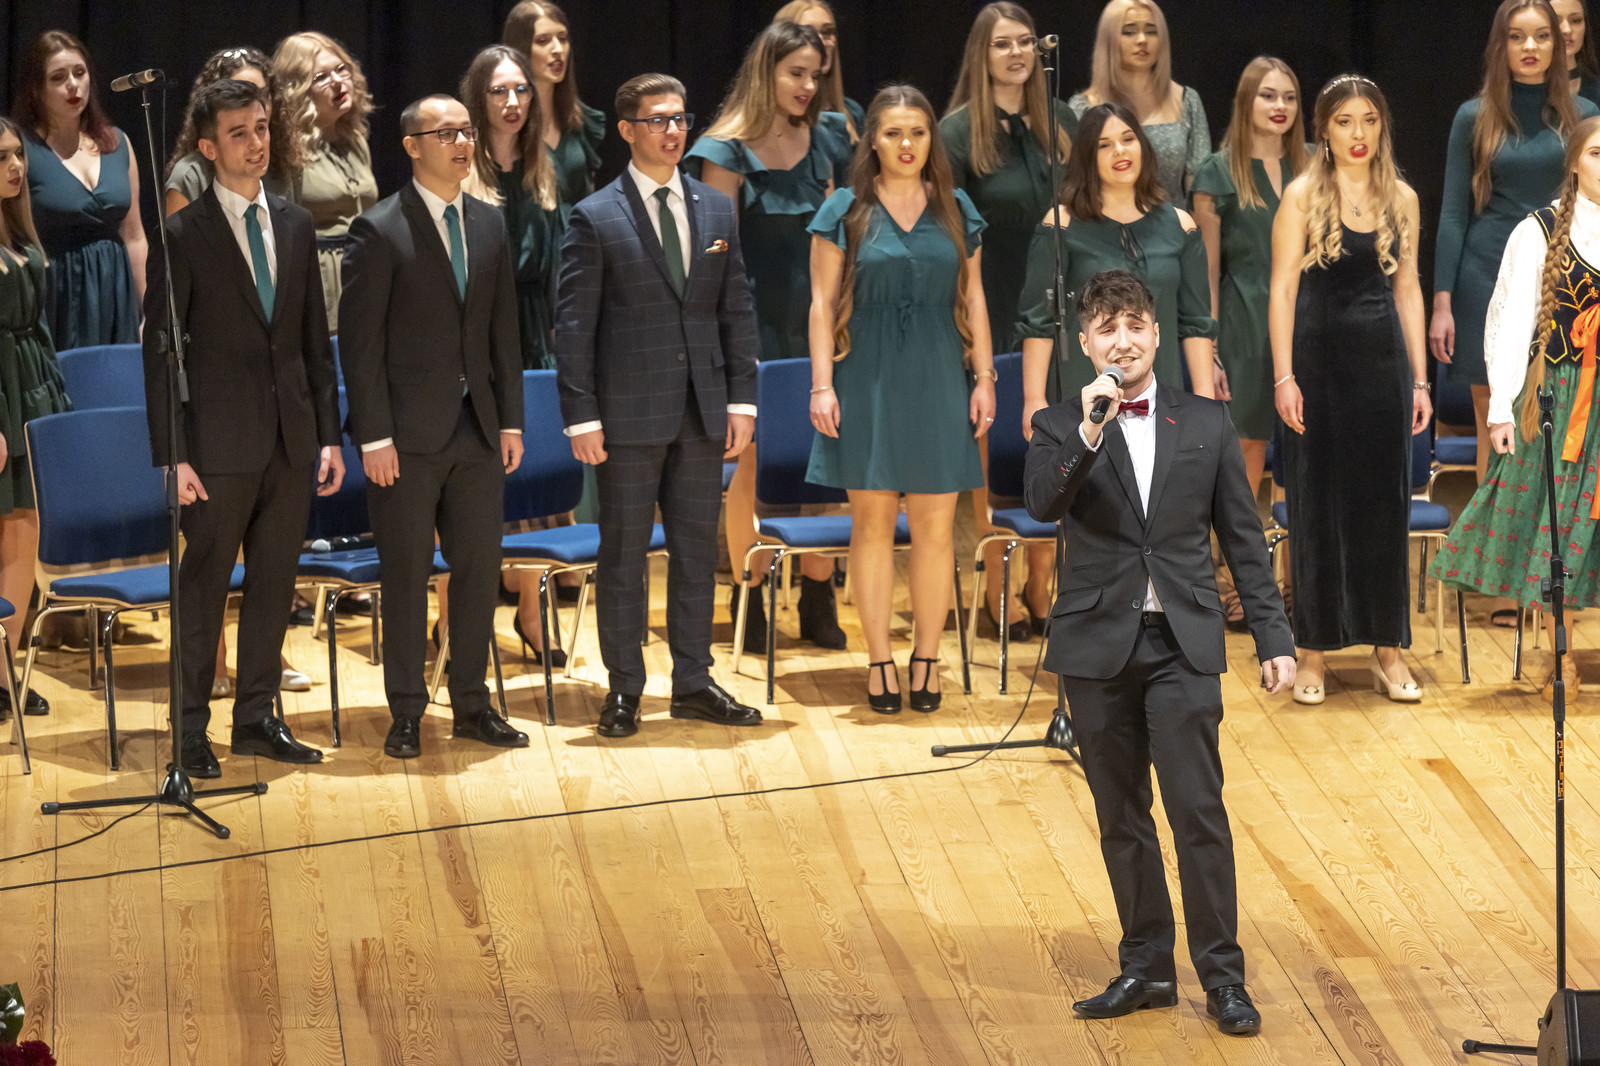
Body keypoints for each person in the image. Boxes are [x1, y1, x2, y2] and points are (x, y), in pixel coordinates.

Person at [1023, 268, 1294, 1038]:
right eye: (1107, 329)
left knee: (1197, 813)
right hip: (1096, 645)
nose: (1123, 340)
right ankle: (1146, 966)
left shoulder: (1206, 420)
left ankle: (1224, 978)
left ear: (1156, 333)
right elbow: (1042, 502)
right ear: (1085, 343)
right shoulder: (1059, 424)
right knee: (1121, 816)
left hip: (1182, 643)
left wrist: (1273, 637)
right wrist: (1088, 431)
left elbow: (1242, 538)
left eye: (1135, 325)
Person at [141, 79, 342, 777]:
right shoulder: (182, 233)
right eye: (238, 133)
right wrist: (173, 454)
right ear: (208, 148)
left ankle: (256, 718)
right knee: (203, 592)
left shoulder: (294, 223)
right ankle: (189, 731)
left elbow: (313, 340)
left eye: (261, 128)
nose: (256, 143)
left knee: (274, 584)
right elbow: (160, 351)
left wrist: (328, 435)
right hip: (217, 446)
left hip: (290, 438)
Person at [554, 73, 763, 740]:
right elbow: (574, 327)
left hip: (703, 410)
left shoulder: (716, 209)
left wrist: (742, 399)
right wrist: (581, 414)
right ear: (627, 131)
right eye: (657, 121)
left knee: (698, 552)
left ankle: (694, 682)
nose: (673, 132)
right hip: (626, 415)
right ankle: (624, 689)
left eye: (679, 119)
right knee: (623, 555)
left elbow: (736, 310)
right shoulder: (596, 216)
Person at [340, 94, 528, 759]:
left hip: (478, 430)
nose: (461, 142)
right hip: (405, 439)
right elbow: (360, 346)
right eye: (445, 133)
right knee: (406, 575)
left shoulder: (489, 223)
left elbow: (505, 332)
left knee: (478, 572)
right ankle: (406, 712)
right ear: (413, 146)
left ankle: (472, 705)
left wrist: (511, 421)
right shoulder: (379, 229)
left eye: (466, 131)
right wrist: (374, 436)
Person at [807, 84, 996, 713]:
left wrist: (985, 376)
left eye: (918, 132)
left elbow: (974, 297)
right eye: (892, 132)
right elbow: (821, 304)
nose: (907, 143)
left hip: (940, 372)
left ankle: (927, 658)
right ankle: (880, 660)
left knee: (937, 529)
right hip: (867, 375)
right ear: (873, 142)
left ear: (931, 139)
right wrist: (822, 385)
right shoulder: (845, 209)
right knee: (873, 525)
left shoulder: (955, 208)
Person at [685, 21, 851, 655]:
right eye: (795, 74)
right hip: (751, 323)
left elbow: (837, 238)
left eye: (815, 75)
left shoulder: (827, 137)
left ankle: (817, 592)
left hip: (816, 321)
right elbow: (714, 254)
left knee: (825, 454)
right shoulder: (725, 148)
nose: (808, 86)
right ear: (766, 73)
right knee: (751, 464)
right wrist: (727, 339)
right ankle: (750, 592)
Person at [1270, 75, 1431, 705]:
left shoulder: (1403, 198)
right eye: (1344, 122)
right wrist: (1283, 376)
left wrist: (1420, 380)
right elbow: (1283, 290)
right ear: (1324, 130)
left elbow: (1408, 290)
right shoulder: (1302, 195)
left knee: (1383, 506)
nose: (1358, 134)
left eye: (1369, 120)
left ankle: (1387, 649)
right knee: (1316, 505)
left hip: (1381, 367)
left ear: (1382, 126)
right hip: (1316, 367)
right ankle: (1312, 650)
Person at [1434, 115, 1600, 698]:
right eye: (1598, 154)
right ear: (1574, 163)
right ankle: (1561, 652)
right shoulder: (1540, 231)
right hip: (1565, 398)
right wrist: (1501, 406)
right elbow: (1508, 321)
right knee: (1561, 525)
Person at [943, 0, 1078, 641]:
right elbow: (949, 230)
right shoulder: (957, 133)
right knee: (995, 444)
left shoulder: (1063, 122)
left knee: (1054, 441)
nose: (1018, 53)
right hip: (992, 301)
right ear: (982, 54)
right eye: (1003, 44)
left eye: (1025, 41)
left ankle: (1041, 585)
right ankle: (996, 584)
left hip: (1061, 307)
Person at [1433, 0, 1592, 499]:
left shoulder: (1585, 116)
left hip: (1566, 279)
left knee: (1562, 412)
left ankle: (1549, 540)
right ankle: (1493, 542)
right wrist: (1442, 302)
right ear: (1499, 44)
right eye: (1517, 36)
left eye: (1542, 36)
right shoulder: (1473, 117)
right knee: (1493, 416)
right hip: (1484, 279)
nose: (1530, 47)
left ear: (1558, 43)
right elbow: (1453, 213)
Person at [459, 44, 568, 666]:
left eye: (521, 90)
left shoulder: (540, 168)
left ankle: (531, 612)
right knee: (471, 486)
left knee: (534, 482)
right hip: (477, 339)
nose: (513, 102)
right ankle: (454, 622)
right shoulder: (461, 167)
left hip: (535, 336)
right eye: (499, 90)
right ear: (479, 98)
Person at [1191, 57, 1310, 628]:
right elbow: (1208, 270)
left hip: (1308, 324)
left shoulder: (1316, 165)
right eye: (1267, 95)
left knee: (1304, 462)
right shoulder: (1217, 173)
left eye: (1288, 96)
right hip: (1243, 325)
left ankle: (1297, 584)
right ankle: (1239, 586)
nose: (1279, 106)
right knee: (1244, 465)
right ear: (1246, 102)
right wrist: (1209, 345)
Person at [1016, 103, 1216, 435]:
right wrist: (1033, 398)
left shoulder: (1181, 225)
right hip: (1083, 393)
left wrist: (1205, 397)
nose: (1120, 151)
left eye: (1128, 139)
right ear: (1087, 157)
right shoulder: (1061, 223)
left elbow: (1196, 324)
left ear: (1143, 146)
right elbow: (1038, 321)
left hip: (1161, 394)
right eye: (1104, 145)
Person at [13, 30, 147, 349]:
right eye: (58, 77)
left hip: (115, 292)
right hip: (56, 294)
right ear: (37, 90)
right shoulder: (21, 150)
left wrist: (148, 310)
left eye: (79, 73)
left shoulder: (118, 143)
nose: (73, 85)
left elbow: (134, 235)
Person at [0, 118, 70, 720]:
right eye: (1, 158)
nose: (16, 166)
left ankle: (5, 672)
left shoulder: (19, 235)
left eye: (18, 155)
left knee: (26, 533)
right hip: (3, 397)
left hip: (32, 388)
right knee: (12, 530)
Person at [273, 32, 379, 334]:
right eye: (321, 77)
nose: (338, 82)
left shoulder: (355, 139)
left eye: (341, 69)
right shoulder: (288, 150)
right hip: (320, 282)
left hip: (365, 272)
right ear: (297, 89)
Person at [1067, 0, 1210, 207]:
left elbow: (1200, 185)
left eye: (1151, 32)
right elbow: (1076, 185)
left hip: (1174, 224)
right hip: (1106, 224)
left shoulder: (1187, 100)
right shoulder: (1083, 108)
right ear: (1109, 39)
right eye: (1129, 32)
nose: (1142, 40)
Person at [164, 47, 301, 215]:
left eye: (263, 94)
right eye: (240, 98)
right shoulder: (190, 177)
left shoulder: (283, 165)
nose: (256, 106)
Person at [503, 1, 606, 222]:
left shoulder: (579, 119)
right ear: (520, 48)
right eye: (543, 41)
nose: (558, 49)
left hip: (578, 240)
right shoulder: (506, 122)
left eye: (562, 38)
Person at [773, 0, 864, 139]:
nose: (820, 41)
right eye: (808, 33)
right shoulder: (755, 122)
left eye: (827, 32)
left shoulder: (853, 113)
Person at [1553, 0, 1600, 106]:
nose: (1567, 30)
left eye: (1576, 20)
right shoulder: (1520, 90)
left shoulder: (1596, 90)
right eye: (1555, 21)